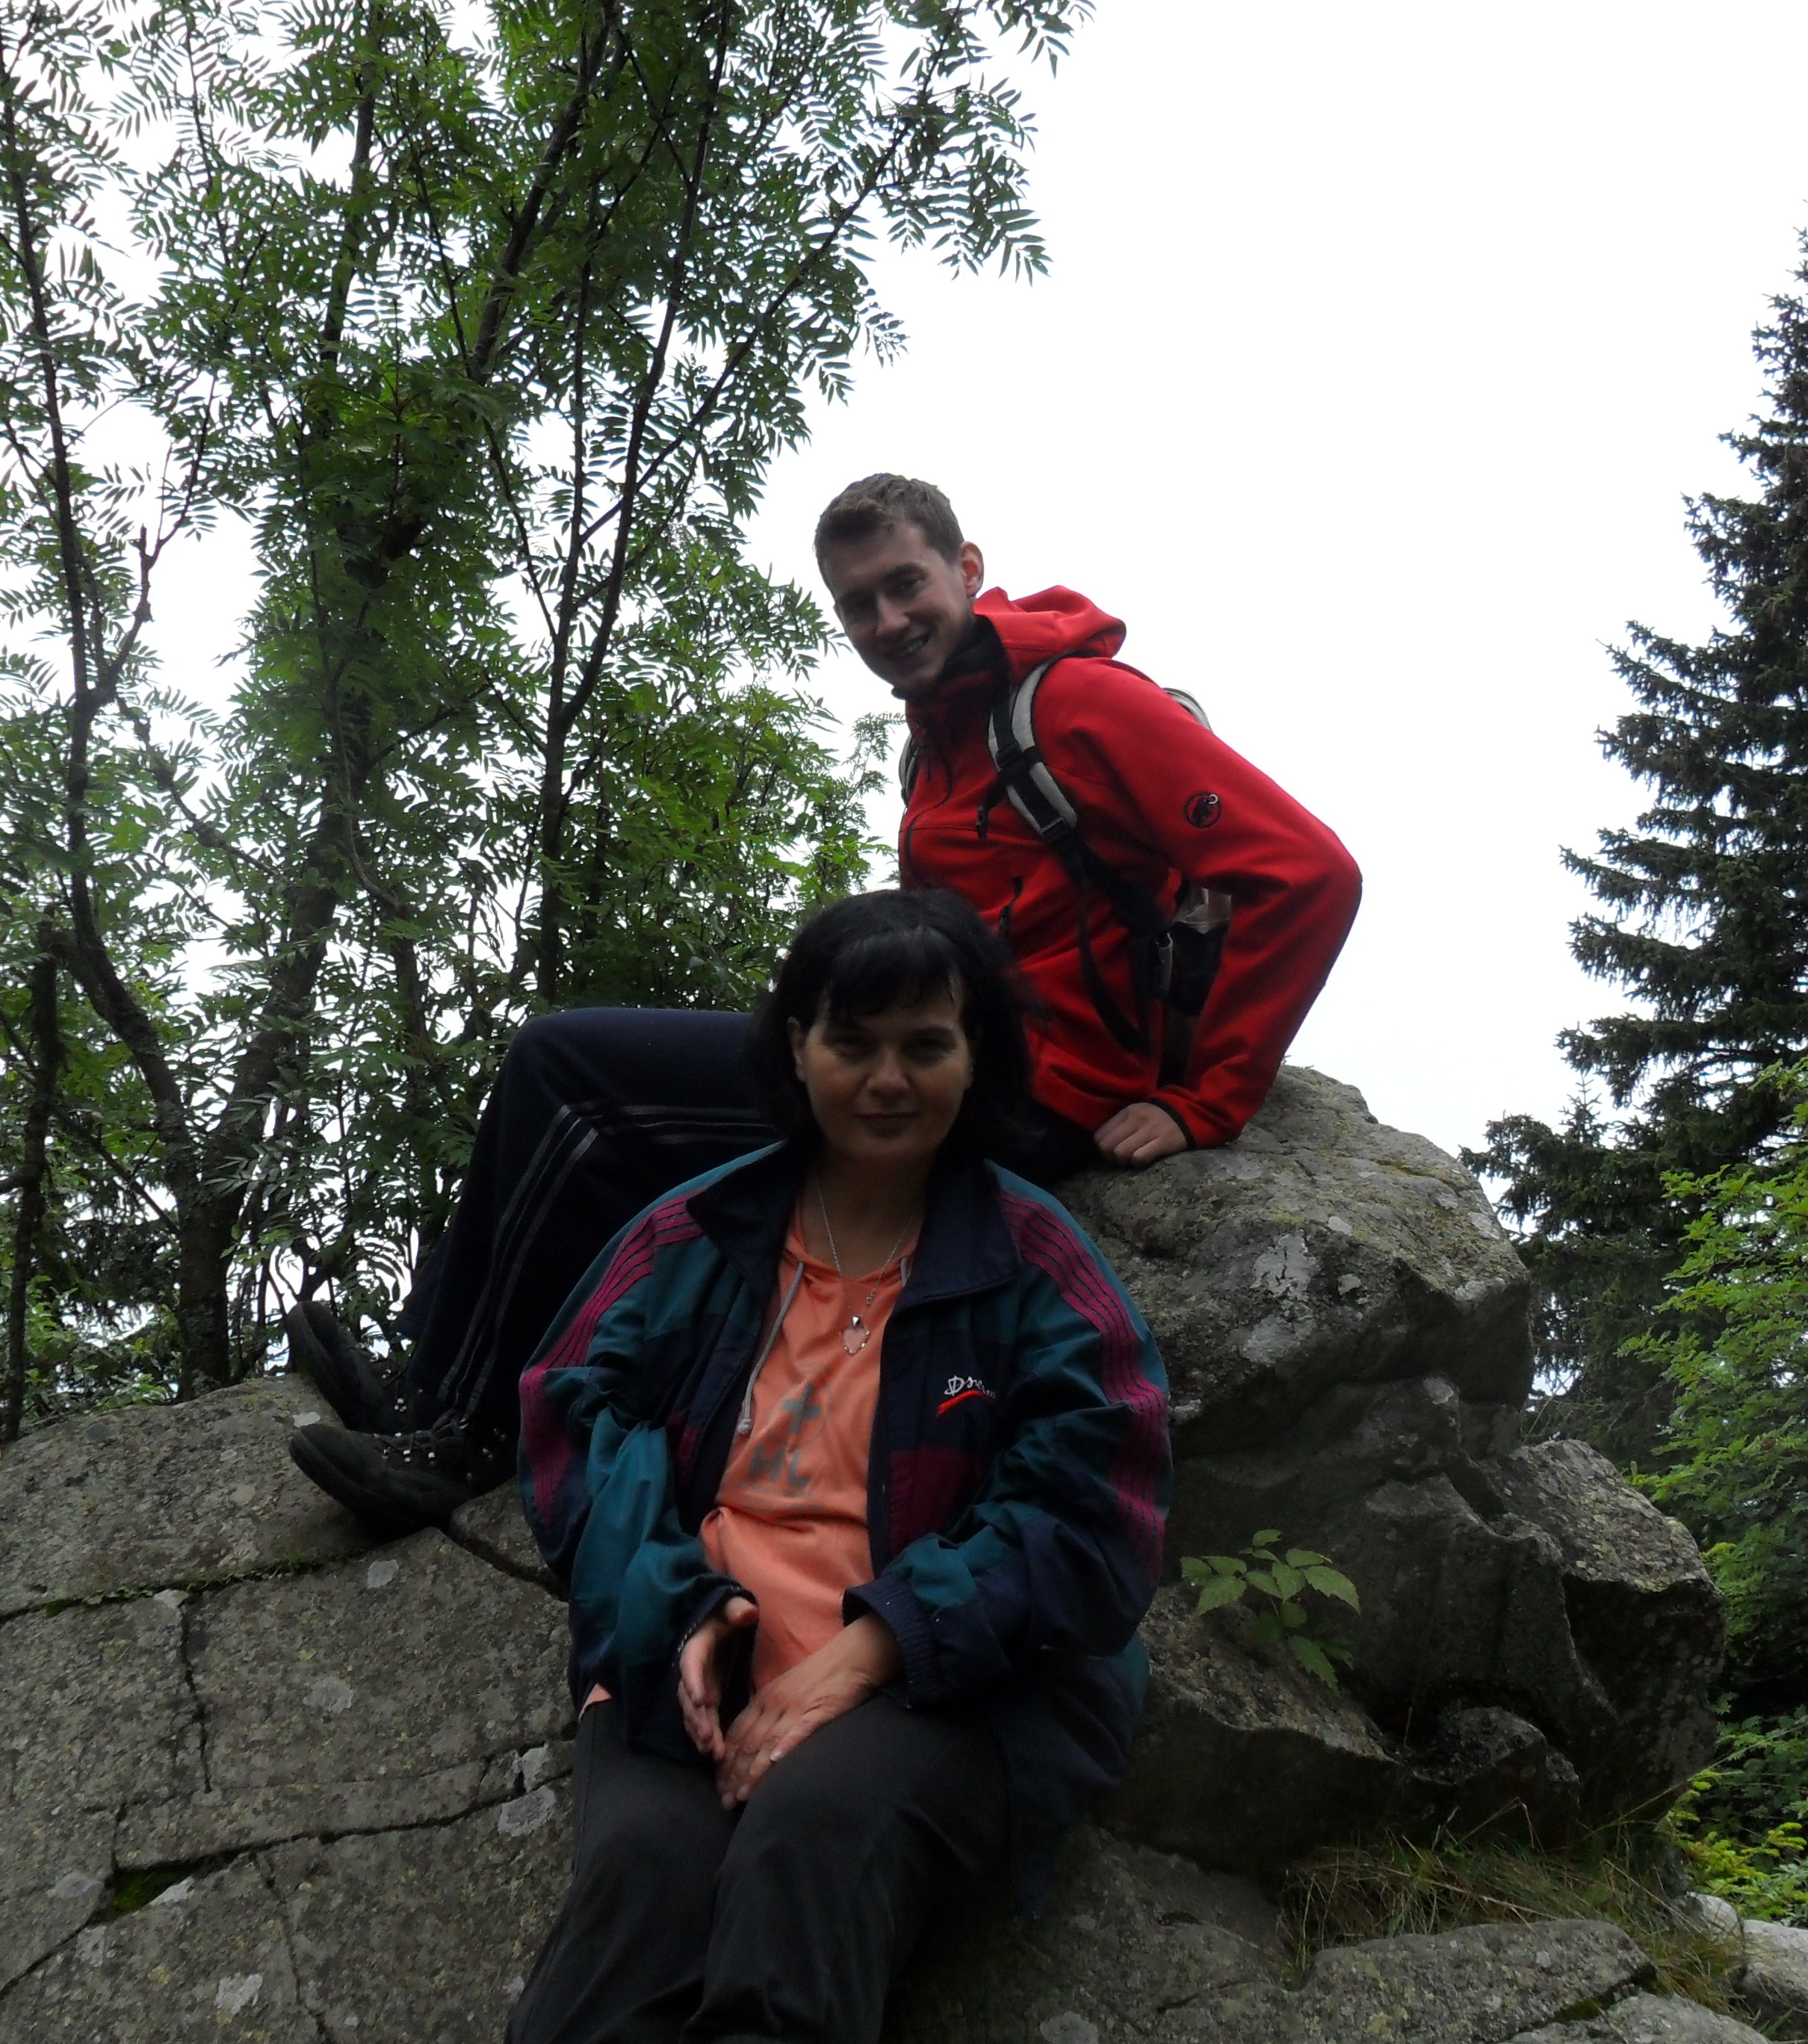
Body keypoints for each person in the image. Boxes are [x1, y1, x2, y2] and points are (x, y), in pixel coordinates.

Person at [285, 472, 1357, 1533]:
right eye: (857, 604)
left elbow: (1309, 874)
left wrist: (1204, 1102)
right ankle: (434, 1383)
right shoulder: (940, 740)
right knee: (595, 1089)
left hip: (1030, 1101)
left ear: (967, 570)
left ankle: (466, 1430)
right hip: (938, 1061)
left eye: (905, 584)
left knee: (573, 1079)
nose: (886, 621)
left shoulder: (1078, 704)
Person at [505, 890, 1171, 2044]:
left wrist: (874, 1650)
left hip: (956, 1680)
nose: (887, 1080)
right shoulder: (692, 1234)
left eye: (927, 1046)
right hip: (693, 1648)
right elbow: (571, 1434)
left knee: (810, 1840)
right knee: (642, 1879)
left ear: (977, 1056)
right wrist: (680, 1609)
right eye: (852, 1044)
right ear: (796, 1048)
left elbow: (1096, 1516)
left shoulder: (1034, 1263)